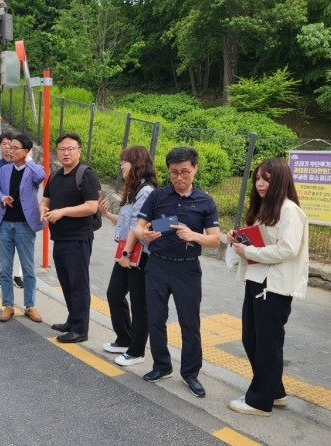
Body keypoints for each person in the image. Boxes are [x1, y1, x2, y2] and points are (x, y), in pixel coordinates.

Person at [133, 146, 220, 398]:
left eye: (185, 172)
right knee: (156, 318)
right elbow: (138, 228)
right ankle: (161, 365)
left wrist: (194, 235)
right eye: (174, 173)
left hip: (187, 269)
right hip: (158, 264)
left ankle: (190, 373)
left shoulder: (205, 201)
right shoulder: (158, 196)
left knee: (189, 323)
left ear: (195, 169)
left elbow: (215, 240)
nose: (179, 178)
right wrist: (144, 234)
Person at [227, 158, 309, 416]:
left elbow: (287, 248)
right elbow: (261, 240)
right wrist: (238, 239)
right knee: (253, 339)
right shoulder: (269, 208)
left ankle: (259, 401)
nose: (260, 184)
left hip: (274, 287)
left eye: (266, 179)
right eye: (258, 179)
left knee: (266, 344)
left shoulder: (289, 210)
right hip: (258, 281)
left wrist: (249, 249)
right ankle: (275, 392)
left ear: (280, 181)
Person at [39, 133, 101, 343]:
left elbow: (91, 206)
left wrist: (62, 212)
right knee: (65, 282)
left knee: (78, 284)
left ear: (79, 151)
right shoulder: (55, 175)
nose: (66, 153)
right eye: (62, 149)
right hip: (60, 237)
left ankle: (80, 329)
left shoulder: (85, 175)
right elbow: (45, 200)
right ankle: (72, 320)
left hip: (78, 238)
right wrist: (43, 209)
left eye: (71, 149)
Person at [100, 146, 157, 366]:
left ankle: (137, 351)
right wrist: (106, 214)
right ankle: (125, 338)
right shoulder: (134, 189)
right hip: (127, 249)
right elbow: (125, 223)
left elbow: (137, 227)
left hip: (139, 254)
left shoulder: (146, 191)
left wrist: (126, 253)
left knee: (139, 303)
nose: (121, 166)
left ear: (136, 163)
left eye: (124, 161)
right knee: (114, 294)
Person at [0, 134, 45, 323]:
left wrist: (29, 159)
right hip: (5, 224)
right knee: (5, 269)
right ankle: (8, 305)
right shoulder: (5, 170)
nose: (10, 150)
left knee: (28, 268)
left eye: (15, 148)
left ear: (26, 151)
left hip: (24, 225)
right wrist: (2, 197)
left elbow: (41, 176)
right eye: (8, 147)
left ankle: (30, 306)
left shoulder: (33, 169)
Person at [0, 131, 24, 290]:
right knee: (1, 243)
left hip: (19, 211)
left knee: (20, 242)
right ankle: (3, 275)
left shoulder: (23, 165)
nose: (8, 148)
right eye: (4, 144)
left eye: (11, 145)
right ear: (0, 146)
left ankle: (17, 275)